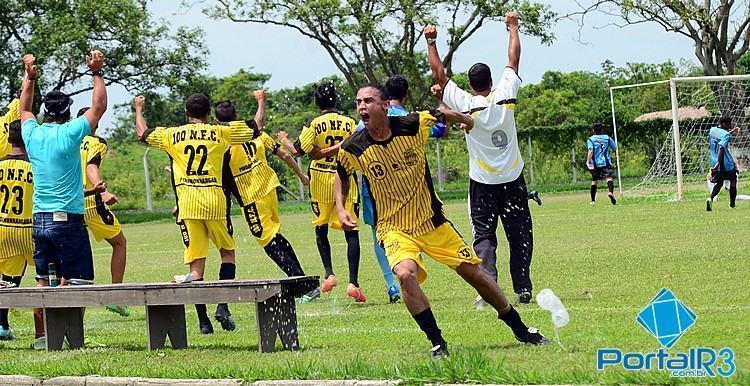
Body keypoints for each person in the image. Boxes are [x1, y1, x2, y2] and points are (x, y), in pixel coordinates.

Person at [335, 83, 549, 358]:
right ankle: (438, 343)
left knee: (476, 275)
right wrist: (341, 208)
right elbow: (339, 173)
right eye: (358, 102)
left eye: (368, 101)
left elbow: (439, 113)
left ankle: (520, 328)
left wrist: (464, 118)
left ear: (385, 105)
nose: (362, 106)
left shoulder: (412, 124)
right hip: (394, 228)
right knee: (404, 274)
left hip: (432, 223)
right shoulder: (354, 146)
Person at [424, 13, 535, 306]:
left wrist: (431, 42)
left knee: (484, 236)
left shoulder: (467, 104)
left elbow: (439, 76)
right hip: (513, 179)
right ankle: (523, 286)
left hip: (483, 184)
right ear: (491, 80)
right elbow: (514, 58)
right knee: (519, 233)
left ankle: (487, 290)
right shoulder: (505, 94)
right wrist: (513, 27)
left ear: (471, 85)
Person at [135, 94, 253, 334]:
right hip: (215, 201)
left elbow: (143, 134)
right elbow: (255, 128)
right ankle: (222, 305)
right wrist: (260, 105)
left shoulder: (171, 134)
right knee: (227, 253)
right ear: (209, 113)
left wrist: (139, 109)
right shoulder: (219, 132)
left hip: (187, 204)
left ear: (185, 112)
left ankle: (203, 322)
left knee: (196, 266)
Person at [20, 51, 107, 349]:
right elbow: (99, 107)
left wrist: (29, 77)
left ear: (46, 111)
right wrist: (96, 72)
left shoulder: (32, 133)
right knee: (78, 281)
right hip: (67, 220)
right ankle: (72, 337)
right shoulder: (72, 132)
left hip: (39, 219)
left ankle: (42, 338)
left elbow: (23, 109)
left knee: (43, 282)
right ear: (69, 111)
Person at [216, 91, 319, 302]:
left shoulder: (221, 141)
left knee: (268, 242)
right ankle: (302, 281)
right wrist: (301, 176)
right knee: (275, 237)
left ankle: (303, 285)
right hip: (270, 187)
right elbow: (284, 154)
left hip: (252, 194)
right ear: (236, 117)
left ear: (217, 121)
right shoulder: (257, 133)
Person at [277, 82, 365, 303]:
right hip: (344, 177)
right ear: (336, 100)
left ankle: (329, 273)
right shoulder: (350, 123)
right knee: (351, 231)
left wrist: (283, 139)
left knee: (321, 228)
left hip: (319, 179)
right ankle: (353, 283)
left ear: (317, 103)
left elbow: (298, 150)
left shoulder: (314, 124)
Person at [77, 107, 129, 317]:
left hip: (67, 202)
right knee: (120, 243)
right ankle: (115, 297)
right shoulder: (97, 142)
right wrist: (103, 190)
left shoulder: (66, 138)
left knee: (71, 258)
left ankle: (61, 307)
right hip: (90, 201)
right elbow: (91, 167)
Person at [0, 120, 35, 340]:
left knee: (6, 280)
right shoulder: (34, 166)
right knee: (49, 277)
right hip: (28, 230)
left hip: (3, 228)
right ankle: (45, 330)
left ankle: (2, 325)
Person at [706, 117, 740, 211]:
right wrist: (718, 163)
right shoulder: (725, 135)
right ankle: (732, 205)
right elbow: (721, 146)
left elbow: (721, 136)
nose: (730, 126)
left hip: (714, 160)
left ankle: (710, 198)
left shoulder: (713, 130)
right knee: (733, 180)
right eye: (729, 124)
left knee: (719, 182)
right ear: (724, 124)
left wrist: (732, 131)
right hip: (725, 163)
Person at [586, 123, 618, 206]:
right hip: (606, 162)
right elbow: (615, 148)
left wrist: (588, 161)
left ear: (593, 130)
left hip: (596, 164)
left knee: (594, 181)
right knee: (609, 178)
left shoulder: (591, 139)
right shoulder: (607, 138)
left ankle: (592, 201)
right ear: (602, 130)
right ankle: (610, 192)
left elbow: (591, 151)